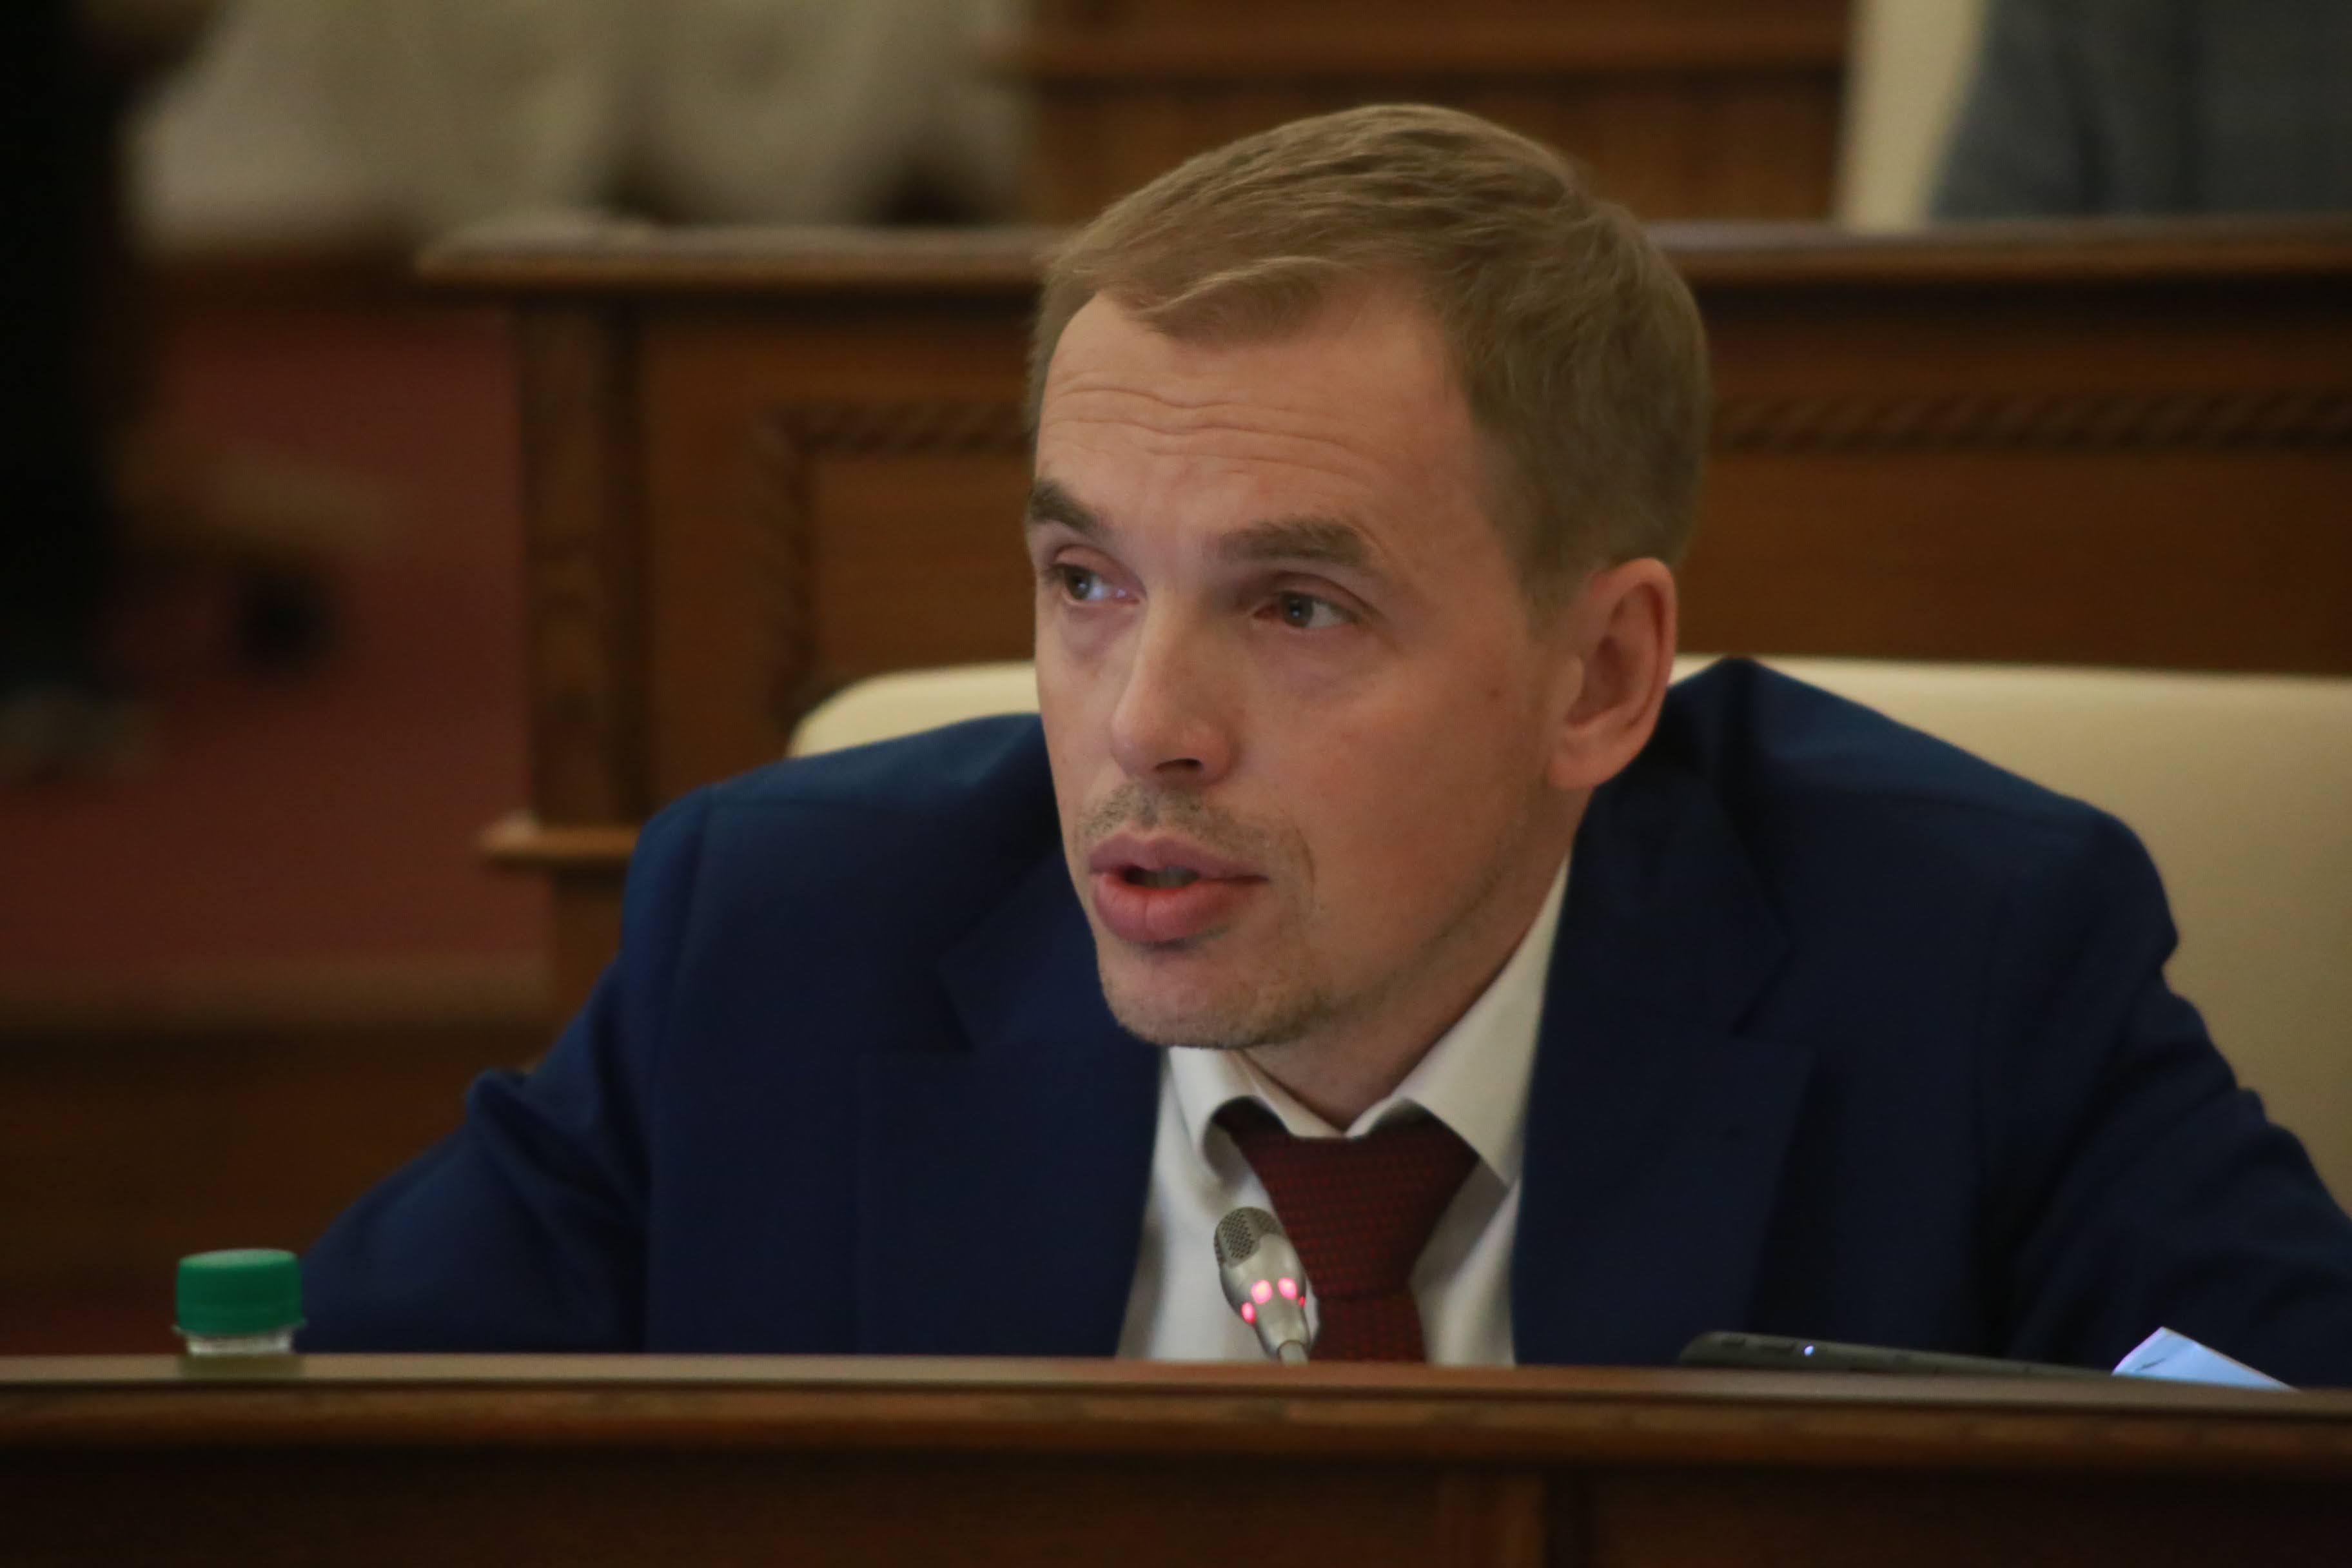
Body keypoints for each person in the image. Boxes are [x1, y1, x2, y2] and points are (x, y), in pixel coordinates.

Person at [302, 104, 2352, 1380]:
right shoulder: (775, 937)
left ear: (1600, 677)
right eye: (1087, 581)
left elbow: (2274, 1462)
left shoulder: (1963, 954)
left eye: (1297, 607)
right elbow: (326, 1462)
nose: (1143, 727)